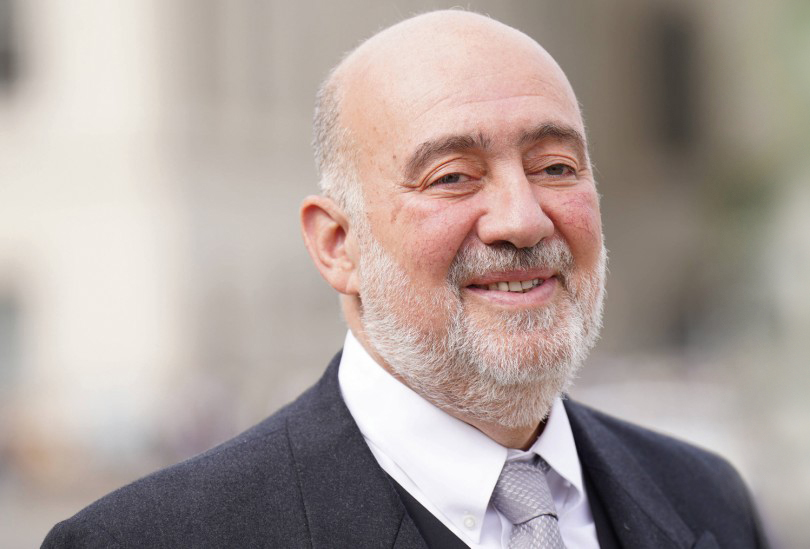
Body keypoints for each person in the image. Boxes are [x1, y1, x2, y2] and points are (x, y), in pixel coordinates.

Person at [44, 10, 767, 548]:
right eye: (453, 177)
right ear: (338, 244)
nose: (522, 219)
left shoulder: (707, 500)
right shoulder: (154, 540)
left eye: (556, 167)